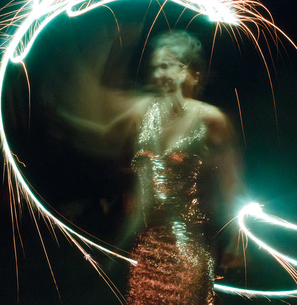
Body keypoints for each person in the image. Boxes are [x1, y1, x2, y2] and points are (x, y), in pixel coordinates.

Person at [55, 30, 240, 304]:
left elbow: (231, 185)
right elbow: (99, 129)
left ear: (189, 71)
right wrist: (102, 55)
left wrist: (236, 241)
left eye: (166, 66)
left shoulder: (212, 120)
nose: (158, 76)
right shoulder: (143, 110)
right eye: (155, 68)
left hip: (188, 250)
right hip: (147, 250)